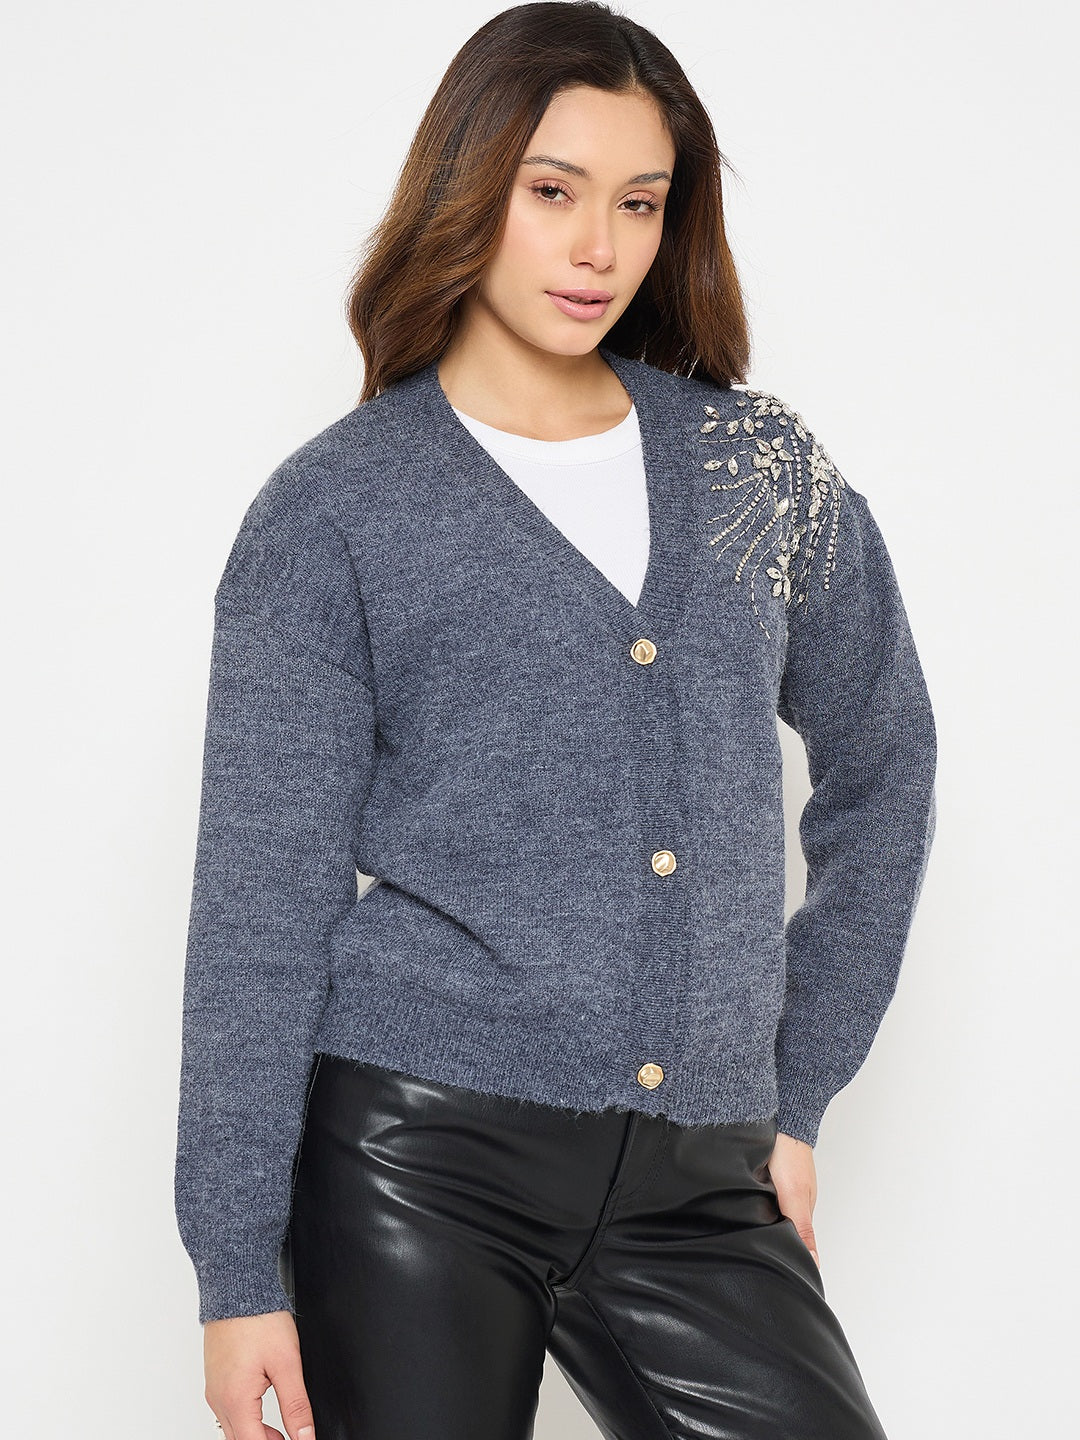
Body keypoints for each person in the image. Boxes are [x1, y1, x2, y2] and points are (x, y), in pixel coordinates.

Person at [173, 4, 938, 1438]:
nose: (598, 247)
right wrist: (234, 1274)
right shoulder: (335, 511)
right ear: (469, 191)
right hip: (415, 1158)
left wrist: (794, 1092)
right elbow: (260, 905)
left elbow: (886, 764)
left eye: (640, 203)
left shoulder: (754, 471)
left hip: (702, 1180)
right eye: (553, 191)